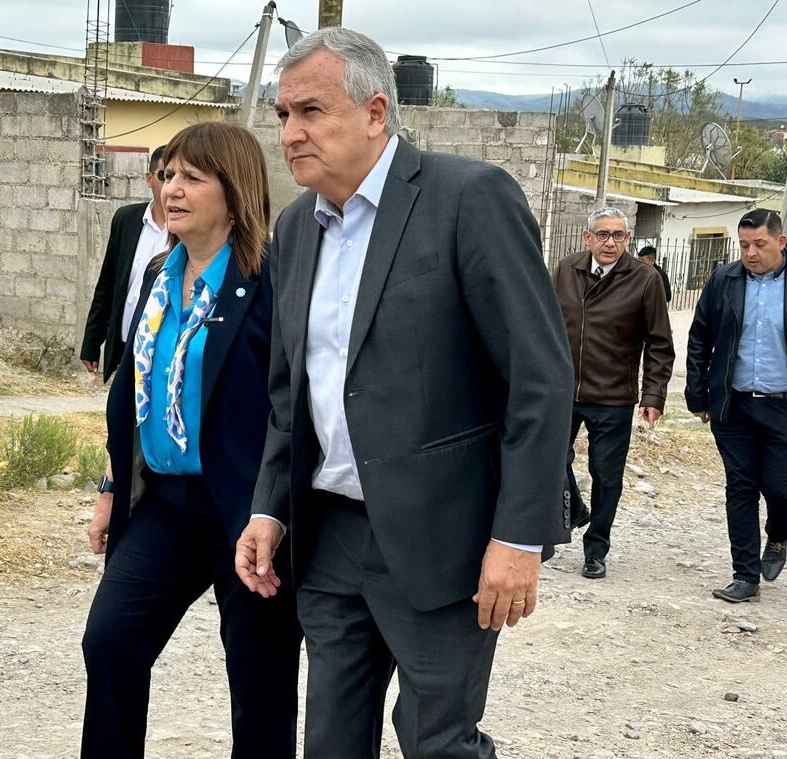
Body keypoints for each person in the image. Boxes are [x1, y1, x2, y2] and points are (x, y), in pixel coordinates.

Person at [234, 28, 574, 759]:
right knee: (329, 741)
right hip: (328, 538)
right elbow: (293, 393)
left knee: (436, 742)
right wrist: (267, 506)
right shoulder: (296, 229)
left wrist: (518, 537)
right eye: (282, 114)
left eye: (310, 112)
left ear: (375, 112)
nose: (290, 133)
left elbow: (539, 379)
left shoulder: (466, 199)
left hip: (441, 539)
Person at [80, 123, 301, 759]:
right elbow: (132, 392)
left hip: (247, 513)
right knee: (112, 643)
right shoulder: (157, 273)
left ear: (234, 192)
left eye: (191, 179)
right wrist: (111, 487)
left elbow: (291, 403)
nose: (171, 190)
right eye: (167, 175)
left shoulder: (268, 280)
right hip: (167, 506)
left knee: (258, 680)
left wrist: (275, 509)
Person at [553, 208, 675, 580]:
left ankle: (596, 547)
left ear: (628, 238)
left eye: (618, 235)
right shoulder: (565, 270)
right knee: (547, 457)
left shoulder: (644, 279)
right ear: (586, 237)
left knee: (607, 477)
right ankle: (574, 508)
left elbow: (659, 342)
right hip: (563, 391)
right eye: (602, 234)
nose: (610, 242)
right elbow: (544, 324)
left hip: (613, 395)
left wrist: (653, 395)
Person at [686, 209, 787, 603]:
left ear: (780, 242)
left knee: (780, 486)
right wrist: (699, 394)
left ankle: (779, 533)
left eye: (759, 244)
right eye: (744, 244)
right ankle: (745, 576)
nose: (750, 253)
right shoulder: (724, 280)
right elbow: (700, 338)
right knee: (740, 488)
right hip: (735, 406)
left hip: (782, 407)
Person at [80, 145, 169, 383]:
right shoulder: (127, 220)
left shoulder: (187, 229)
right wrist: (92, 341)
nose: (170, 184)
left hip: (161, 346)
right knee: (119, 414)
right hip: (123, 341)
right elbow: (107, 283)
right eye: (164, 176)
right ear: (149, 179)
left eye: (177, 176)